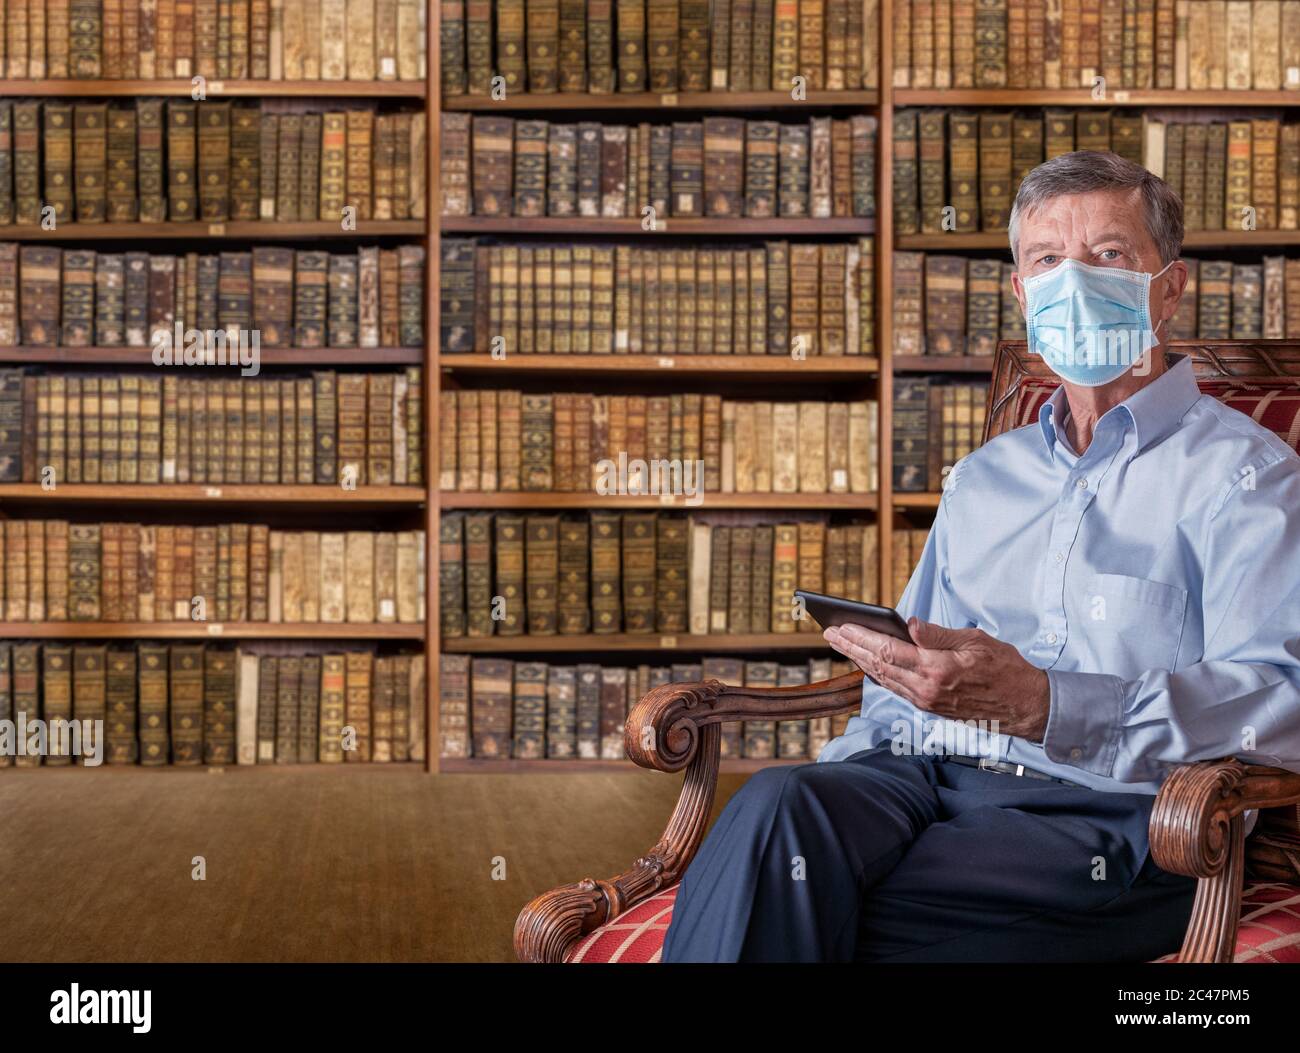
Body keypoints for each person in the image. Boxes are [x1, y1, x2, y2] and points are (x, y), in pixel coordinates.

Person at [661, 150, 1300, 963]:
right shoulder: (988, 476)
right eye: (1047, 260)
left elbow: (1281, 701)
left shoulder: (1248, 477)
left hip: (1109, 821)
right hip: (924, 776)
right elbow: (918, 664)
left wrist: (1048, 703)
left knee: (788, 896)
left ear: (1168, 289)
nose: (1075, 280)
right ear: (1023, 295)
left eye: (1108, 255)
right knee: (780, 805)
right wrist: (886, 711)